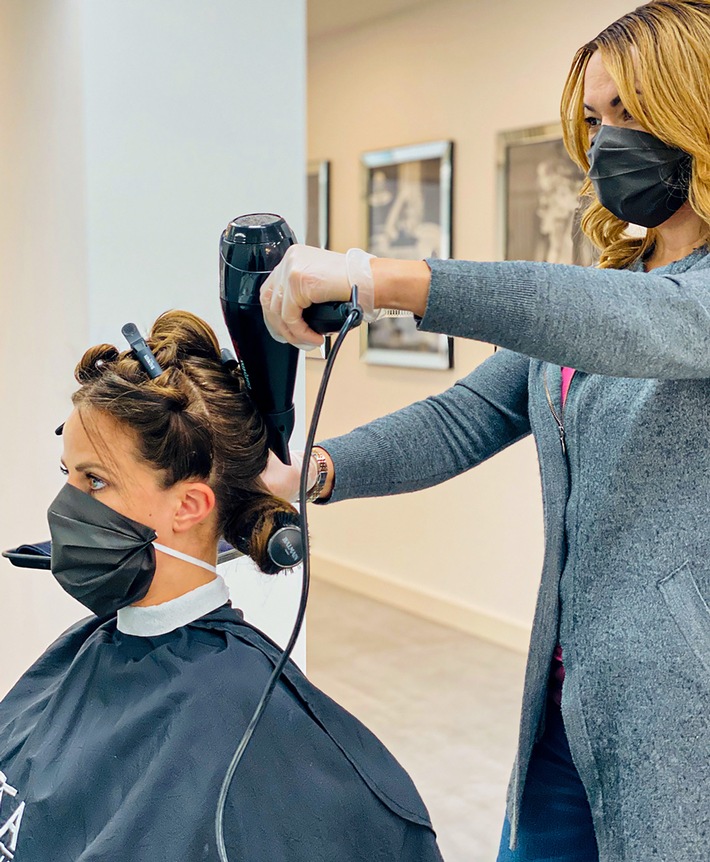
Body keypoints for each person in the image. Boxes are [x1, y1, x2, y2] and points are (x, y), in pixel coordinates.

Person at [260, 3, 710, 861]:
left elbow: (646, 323)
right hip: (570, 702)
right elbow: (467, 416)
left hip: (686, 718)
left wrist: (374, 276)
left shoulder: (673, 303)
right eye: (595, 118)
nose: (610, 138)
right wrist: (314, 470)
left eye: (630, 112)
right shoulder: (614, 284)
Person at [0, 310, 444, 862]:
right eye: (66, 475)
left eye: (94, 480)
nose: (63, 508)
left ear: (189, 505)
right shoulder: (79, 653)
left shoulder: (243, 720)